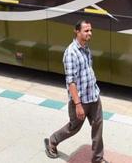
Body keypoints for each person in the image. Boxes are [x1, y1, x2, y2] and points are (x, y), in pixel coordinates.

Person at [44, 20, 108, 163]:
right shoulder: (71, 53)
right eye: (86, 31)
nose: (90, 33)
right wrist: (78, 104)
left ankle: (98, 158)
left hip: (93, 96)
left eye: (90, 30)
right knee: (74, 128)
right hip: (80, 100)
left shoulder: (86, 48)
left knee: (98, 127)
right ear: (77, 32)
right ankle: (52, 141)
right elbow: (71, 81)